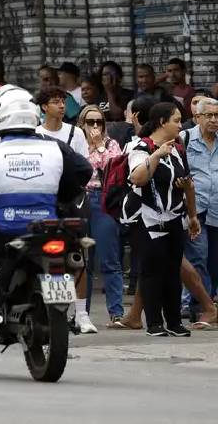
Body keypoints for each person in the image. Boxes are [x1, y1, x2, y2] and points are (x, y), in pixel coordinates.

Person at [0, 85, 94, 345]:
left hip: (3, 233)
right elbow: (83, 172)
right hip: (49, 230)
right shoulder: (56, 148)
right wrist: (60, 193)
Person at [123, 102, 202, 336]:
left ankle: (175, 322)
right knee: (152, 271)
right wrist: (157, 155)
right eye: (176, 120)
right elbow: (137, 178)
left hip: (175, 216)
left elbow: (188, 184)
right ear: (161, 122)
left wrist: (192, 215)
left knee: (172, 270)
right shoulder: (140, 147)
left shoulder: (178, 149)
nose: (180, 125)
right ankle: (154, 323)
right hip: (147, 218)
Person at [77, 104, 125, 330]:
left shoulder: (111, 144)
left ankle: (116, 313)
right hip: (80, 199)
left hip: (102, 198)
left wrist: (99, 147)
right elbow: (80, 169)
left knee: (109, 258)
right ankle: (82, 313)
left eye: (99, 122)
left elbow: (114, 168)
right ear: (82, 124)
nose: (95, 126)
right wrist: (91, 147)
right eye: (90, 122)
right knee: (82, 260)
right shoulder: (77, 143)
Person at [184, 97, 218, 314]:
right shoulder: (185, 138)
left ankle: (208, 304)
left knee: (214, 262)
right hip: (196, 211)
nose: (214, 120)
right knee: (199, 258)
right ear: (198, 117)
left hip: (217, 209)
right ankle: (200, 307)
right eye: (209, 115)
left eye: (217, 115)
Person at [35, 87, 89, 159]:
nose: (62, 106)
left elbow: (85, 161)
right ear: (44, 107)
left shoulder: (76, 132)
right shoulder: (35, 133)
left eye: (63, 102)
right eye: (56, 102)